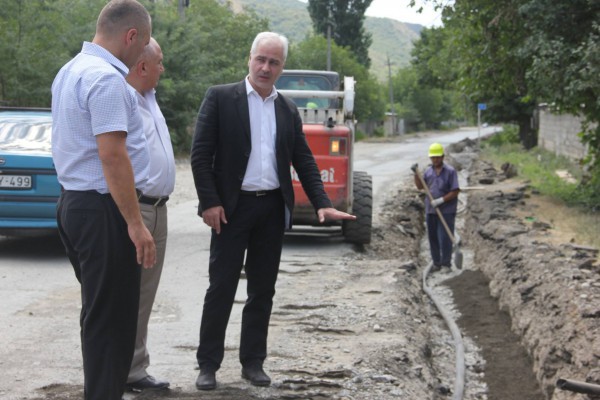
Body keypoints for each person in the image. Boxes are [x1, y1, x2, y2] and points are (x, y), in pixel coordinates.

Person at [190, 31, 356, 391]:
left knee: (263, 291)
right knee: (221, 288)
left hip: (271, 210)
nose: (266, 67)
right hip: (231, 210)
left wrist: (323, 204)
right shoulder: (220, 98)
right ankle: (208, 365)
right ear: (249, 59)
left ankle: (253, 363)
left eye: (274, 62)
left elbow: (304, 161)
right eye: (260, 59)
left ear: (282, 67)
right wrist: (210, 203)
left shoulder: (287, 109)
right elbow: (200, 155)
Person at [51, 1, 154, 399]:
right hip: (101, 210)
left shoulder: (70, 71)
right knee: (112, 322)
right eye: (143, 43)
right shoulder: (107, 79)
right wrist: (134, 223)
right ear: (131, 36)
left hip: (75, 205)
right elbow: (112, 155)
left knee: (100, 314)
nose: (143, 51)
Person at [124, 37, 175, 392]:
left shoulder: (150, 98)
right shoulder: (123, 99)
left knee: (144, 295)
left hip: (158, 208)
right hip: (137, 208)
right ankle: (120, 372)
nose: (162, 68)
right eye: (159, 63)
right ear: (143, 66)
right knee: (126, 294)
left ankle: (135, 369)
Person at [413, 143, 460, 271]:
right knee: (432, 237)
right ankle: (436, 263)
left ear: (443, 157)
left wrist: (441, 200)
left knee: (444, 237)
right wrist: (416, 174)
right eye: (433, 158)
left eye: (437, 157)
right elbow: (420, 186)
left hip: (447, 210)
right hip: (431, 210)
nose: (435, 160)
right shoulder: (428, 172)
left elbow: (455, 190)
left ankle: (446, 264)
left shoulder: (450, 172)